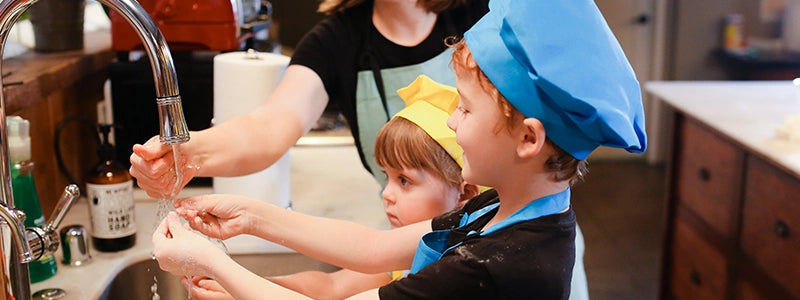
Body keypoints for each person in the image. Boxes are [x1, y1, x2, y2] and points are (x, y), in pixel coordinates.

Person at [151, 0, 647, 298]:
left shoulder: (490, 267)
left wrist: (213, 262)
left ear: (528, 138)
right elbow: (372, 250)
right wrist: (250, 215)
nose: (452, 121)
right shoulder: (495, 207)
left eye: (467, 110)